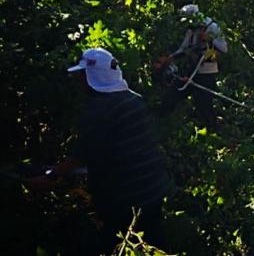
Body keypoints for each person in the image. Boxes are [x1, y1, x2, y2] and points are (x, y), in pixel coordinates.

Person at [29, 48, 173, 254]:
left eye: (81, 75)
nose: (78, 80)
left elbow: (80, 156)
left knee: (115, 244)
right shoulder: (133, 99)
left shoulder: (100, 111)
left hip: (125, 198)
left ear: (91, 78)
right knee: (154, 242)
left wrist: (50, 177)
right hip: (154, 188)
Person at [166, 4, 228, 127]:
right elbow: (184, 48)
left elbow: (224, 48)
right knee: (175, 92)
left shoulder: (213, 28)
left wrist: (209, 39)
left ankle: (212, 127)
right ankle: (165, 120)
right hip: (191, 70)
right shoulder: (191, 30)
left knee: (204, 103)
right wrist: (170, 58)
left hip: (207, 72)